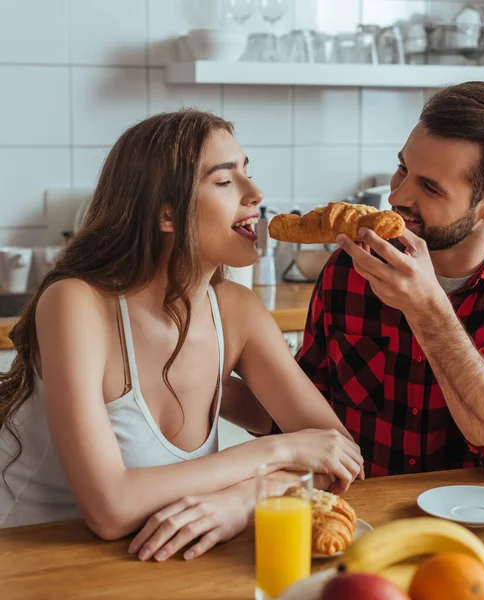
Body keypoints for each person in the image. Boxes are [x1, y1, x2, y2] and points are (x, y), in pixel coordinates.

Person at [0, 110, 364, 562]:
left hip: (160, 565)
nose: (256, 194)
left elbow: (338, 453)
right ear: (166, 213)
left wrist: (244, 499)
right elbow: (110, 509)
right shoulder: (76, 304)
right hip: (34, 563)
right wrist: (279, 450)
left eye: (247, 172)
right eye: (225, 181)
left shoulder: (237, 312)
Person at [247, 81, 484, 482]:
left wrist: (427, 309)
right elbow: (301, 422)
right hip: (365, 524)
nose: (397, 196)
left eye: (430, 187)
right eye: (402, 168)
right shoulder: (349, 271)